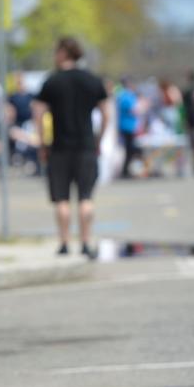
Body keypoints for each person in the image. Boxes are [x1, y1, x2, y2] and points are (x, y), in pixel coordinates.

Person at [33, 37, 109, 259]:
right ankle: (86, 242)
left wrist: (42, 142)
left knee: (62, 199)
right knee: (86, 197)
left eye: (56, 52)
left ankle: (64, 243)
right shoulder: (92, 80)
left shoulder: (52, 81)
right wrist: (99, 139)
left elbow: (38, 113)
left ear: (64, 53)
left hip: (59, 147)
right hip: (86, 146)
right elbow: (106, 113)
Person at [116, 77, 141, 178]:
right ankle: (125, 170)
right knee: (130, 150)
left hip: (127, 125)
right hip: (127, 126)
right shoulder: (126, 95)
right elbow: (134, 109)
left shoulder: (123, 95)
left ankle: (126, 170)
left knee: (129, 149)